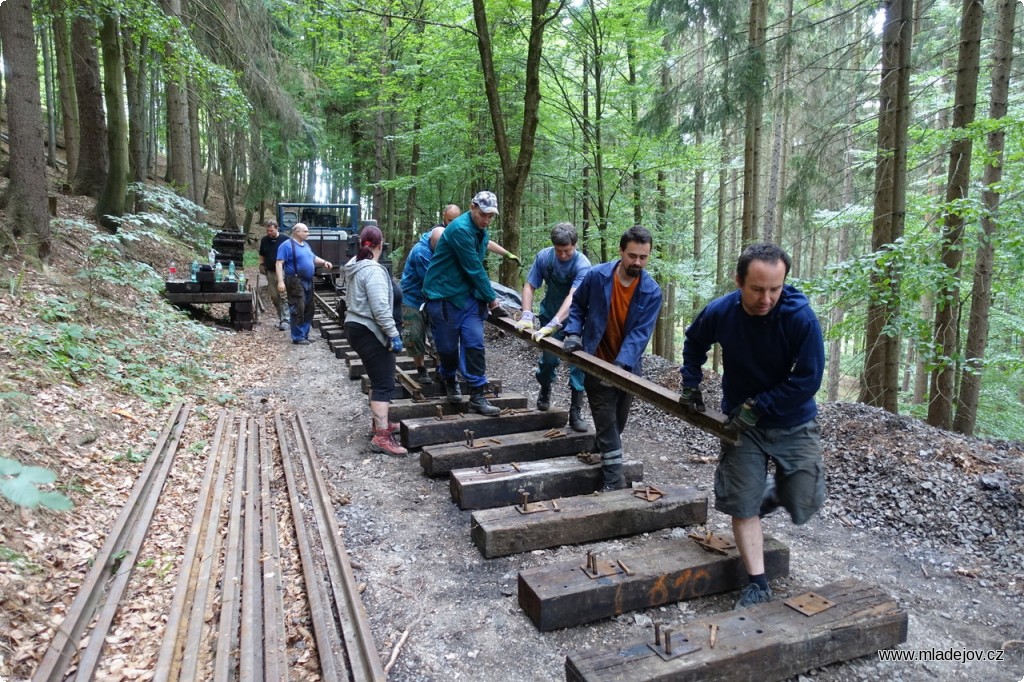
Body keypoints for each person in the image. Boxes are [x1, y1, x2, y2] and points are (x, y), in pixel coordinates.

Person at [678, 242, 825, 610]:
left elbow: (808, 378)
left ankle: (773, 493)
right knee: (741, 506)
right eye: (757, 289)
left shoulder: (800, 318)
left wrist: (761, 405)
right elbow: (694, 341)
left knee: (806, 502)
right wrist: (690, 383)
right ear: (739, 281)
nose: (766, 298)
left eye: (775, 289)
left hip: (791, 419)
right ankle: (758, 583)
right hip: (741, 424)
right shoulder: (721, 312)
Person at [562, 225, 661, 490]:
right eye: (632, 256)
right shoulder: (597, 276)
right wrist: (573, 333)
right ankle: (614, 481)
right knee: (607, 423)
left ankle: (600, 449)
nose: (637, 262)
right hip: (596, 361)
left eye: (643, 257)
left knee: (618, 422)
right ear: (621, 251)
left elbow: (641, 333)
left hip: (627, 369)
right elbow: (578, 305)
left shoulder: (651, 291)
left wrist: (621, 364)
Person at [400, 205, 520, 387]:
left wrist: (506, 253)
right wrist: (489, 299)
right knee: (415, 336)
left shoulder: (466, 232)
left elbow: (483, 244)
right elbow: (441, 280)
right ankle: (422, 369)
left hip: (443, 297)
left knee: (443, 341)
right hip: (416, 298)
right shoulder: (422, 253)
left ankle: (448, 375)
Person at [421, 191, 511, 416]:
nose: (487, 220)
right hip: (445, 297)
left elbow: (476, 266)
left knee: (474, 344)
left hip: (469, 298)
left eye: (491, 216)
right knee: (448, 349)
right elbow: (474, 268)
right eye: (483, 214)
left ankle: (477, 396)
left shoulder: (481, 228)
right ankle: (449, 378)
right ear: (472, 207)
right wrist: (492, 300)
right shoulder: (460, 229)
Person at [515, 222, 592, 431]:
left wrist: (555, 323)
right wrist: (527, 314)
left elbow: (573, 297)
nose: (564, 255)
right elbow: (530, 285)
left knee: (578, 363)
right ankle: (545, 386)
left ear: (575, 246)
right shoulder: (544, 257)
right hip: (549, 310)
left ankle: (576, 409)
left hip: (577, 318)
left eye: (568, 250)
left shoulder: (583, 265)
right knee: (549, 360)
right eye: (560, 251)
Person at [343, 225, 408, 457]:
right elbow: (380, 308)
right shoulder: (373, 270)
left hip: (356, 327)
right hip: (370, 329)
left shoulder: (356, 265)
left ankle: (380, 424)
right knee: (384, 383)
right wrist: (393, 333)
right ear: (381, 245)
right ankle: (382, 437)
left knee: (377, 377)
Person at [275, 222, 332, 345]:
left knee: (309, 308)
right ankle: (297, 336)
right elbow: (279, 263)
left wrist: (324, 262)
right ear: (297, 232)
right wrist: (280, 281)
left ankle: (304, 334)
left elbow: (312, 257)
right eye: (305, 231)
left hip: (308, 280)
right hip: (295, 281)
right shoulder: (286, 245)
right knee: (298, 307)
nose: (308, 233)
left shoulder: (305, 245)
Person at [259, 219, 289, 330]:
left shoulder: (285, 239)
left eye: (271, 230)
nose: (269, 233)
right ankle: (281, 318)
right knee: (274, 296)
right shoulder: (264, 240)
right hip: (270, 271)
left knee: (284, 295)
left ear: (276, 228)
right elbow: (262, 254)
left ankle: (286, 320)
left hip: (283, 270)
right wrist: (261, 264)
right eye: (267, 231)